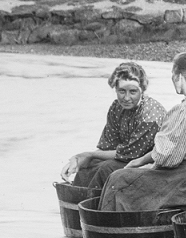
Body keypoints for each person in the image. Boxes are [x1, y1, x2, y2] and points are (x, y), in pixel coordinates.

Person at [100, 50, 186, 212]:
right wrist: (141, 161)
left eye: (173, 75)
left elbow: (167, 158)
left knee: (119, 179)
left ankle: (114, 226)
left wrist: (143, 164)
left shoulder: (185, 109)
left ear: (179, 77)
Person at [63, 62, 166, 192]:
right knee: (87, 168)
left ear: (142, 90)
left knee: (106, 168)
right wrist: (80, 159)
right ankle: (77, 200)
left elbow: (130, 154)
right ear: (115, 89)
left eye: (133, 92)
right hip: (125, 159)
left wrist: (89, 154)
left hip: (148, 164)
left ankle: (93, 202)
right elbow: (107, 146)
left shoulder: (151, 112)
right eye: (122, 91)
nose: (126, 98)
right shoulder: (116, 108)